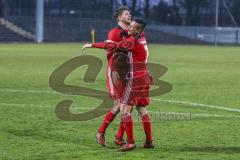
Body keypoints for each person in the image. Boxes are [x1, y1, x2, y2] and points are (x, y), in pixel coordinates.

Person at [82, 19, 154, 151]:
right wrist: (116, 42)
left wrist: (92, 45)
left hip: (135, 79)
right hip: (144, 77)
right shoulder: (142, 38)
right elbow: (124, 44)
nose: (129, 29)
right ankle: (149, 141)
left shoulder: (133, 41)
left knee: (124, 110)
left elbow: (113, 47)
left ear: (139, 30)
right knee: (141, 109)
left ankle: (130, 142)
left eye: (132, 27)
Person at [93, 6, 132, 147]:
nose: (129, 15)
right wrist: (93, 45)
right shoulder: (114, 32)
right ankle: (101, 132)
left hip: (128, 73)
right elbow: (109, 47)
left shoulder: (131, 33)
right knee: (118, 105)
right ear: (119, 17)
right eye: (127, 14)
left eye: (130, 14)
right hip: (115, 73)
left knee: (129, 105)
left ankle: (119, 137)